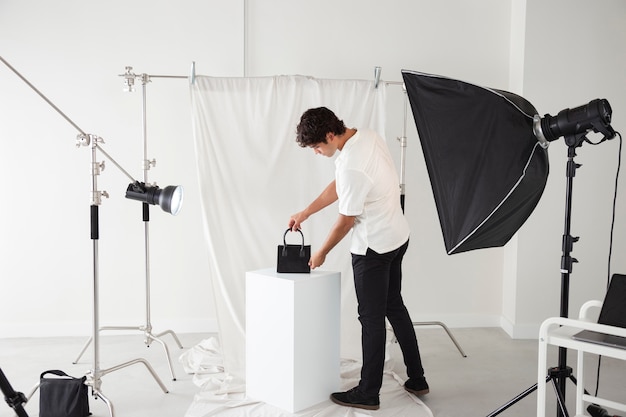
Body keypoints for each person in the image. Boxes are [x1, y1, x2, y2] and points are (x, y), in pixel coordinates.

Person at [288, 107, 428, 411]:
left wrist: (321, 252)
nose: (316, 152)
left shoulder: (351, 164)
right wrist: (307, 212)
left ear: (329, 135)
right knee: (395, 307)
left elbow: (345, 221)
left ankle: (368, 392)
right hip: (397, 235)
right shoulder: (366, 136)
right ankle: (417, 378)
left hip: (374, 249)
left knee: (371, 321)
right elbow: (341, 186)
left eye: (316, 147)